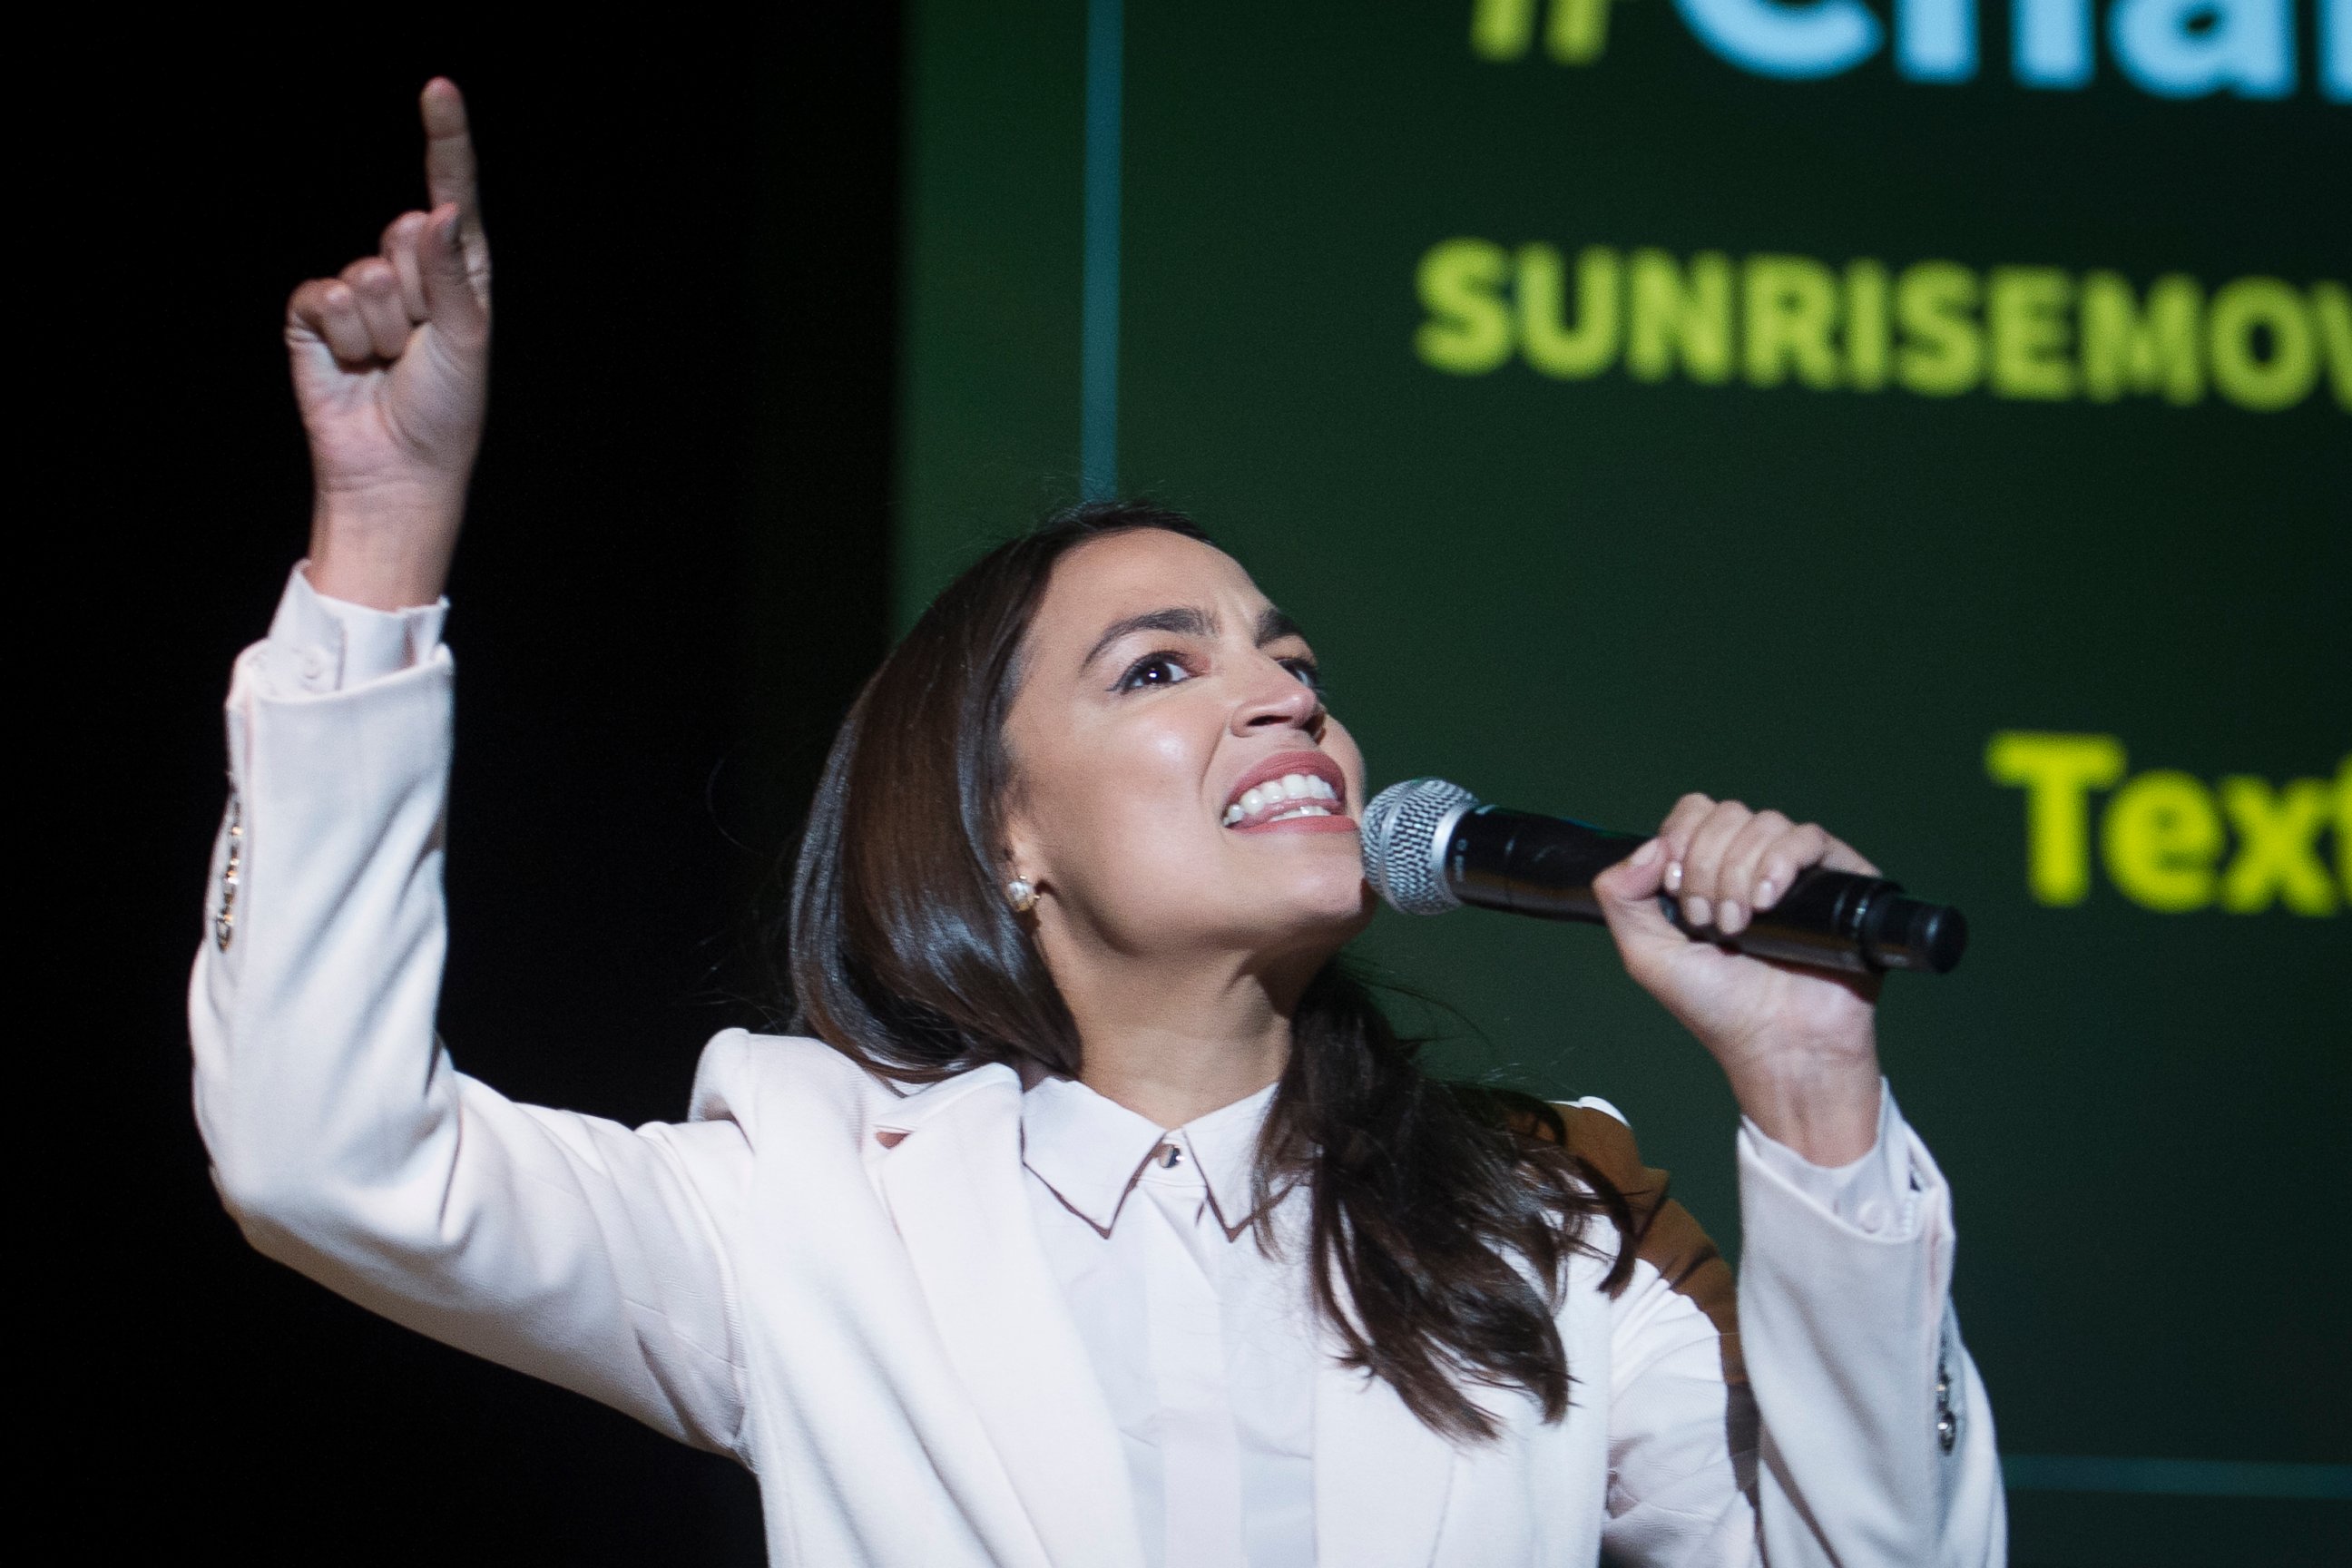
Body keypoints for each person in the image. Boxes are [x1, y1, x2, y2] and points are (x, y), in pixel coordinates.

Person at [191, 80, 2004, 1566]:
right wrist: (382, 526)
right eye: (1160, 670)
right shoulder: (810, 1199)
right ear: (1004, 838)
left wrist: (1814, 1090)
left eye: (1291, 658)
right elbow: (324, 1155)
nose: (1284, 692)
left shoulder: (1541, 1211)